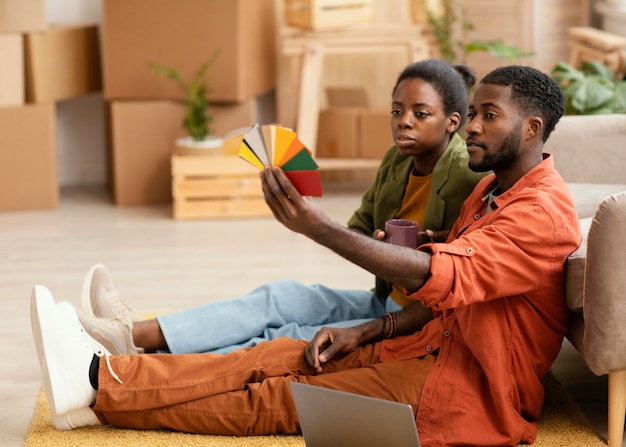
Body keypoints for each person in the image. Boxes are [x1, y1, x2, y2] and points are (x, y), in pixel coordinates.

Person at [32, 64, 582, 446]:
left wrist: (314, 227)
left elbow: (442, 274)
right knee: (269, 357)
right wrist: (367, 331)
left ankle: (94, 386)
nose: (476, 126)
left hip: (462, 391)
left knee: (278, 399)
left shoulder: (540, 214)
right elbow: (443, 301)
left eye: (489, 116)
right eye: (477, 113)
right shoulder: (491, 191)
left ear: (532, 128)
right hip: (422, 345)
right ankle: (105, 374)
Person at [77, 59, 487, 356]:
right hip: (384, 299)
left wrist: (321, 228)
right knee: (277, 297)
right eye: (397, 111)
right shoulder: (395, 161)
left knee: (288, 335)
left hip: (415, 322)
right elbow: (359, 231)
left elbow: (462, 274)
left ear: (452, 122)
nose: (404, 122)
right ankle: (132, 334)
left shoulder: (466, 173)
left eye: (420, 114)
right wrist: (367, 241)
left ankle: (135, 369)